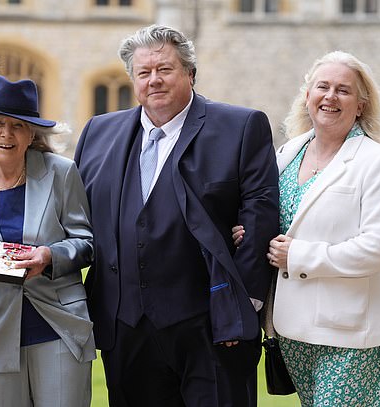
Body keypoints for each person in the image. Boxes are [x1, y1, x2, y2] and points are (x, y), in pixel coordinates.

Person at [74, 24, 279, 406]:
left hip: (212, 324)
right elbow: (75, 218)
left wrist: (242, 305)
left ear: (190, 73)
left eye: (164, 69)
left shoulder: (240, 126)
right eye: (143, 72)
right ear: (132, 79)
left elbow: (260, 214)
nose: (154, 80)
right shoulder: (97, 133)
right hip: (125, 325)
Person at [232, 51, 380, 406]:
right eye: (323, 87)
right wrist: (249, 234)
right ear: (307, 95)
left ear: (361, 105)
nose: (331, 97)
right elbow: (275, 219)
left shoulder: (379, 162)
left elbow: (379, 247)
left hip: (351, 333)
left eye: (343, 90)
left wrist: (296, 255)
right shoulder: (286, 154)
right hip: (292, 330)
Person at [0, 76, 95, 407]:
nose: (6, 134)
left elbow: (85, 242)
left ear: (31, 133)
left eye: (17, 125)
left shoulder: (61, 173)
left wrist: (49, 256)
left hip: (58, 323)